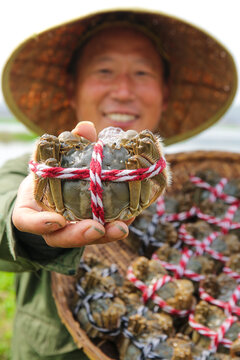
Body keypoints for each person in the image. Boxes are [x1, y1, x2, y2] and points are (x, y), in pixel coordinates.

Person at [0, 8, 237, 360]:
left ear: (165, 92)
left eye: (141, 72)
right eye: (105, 70)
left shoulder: (168, 179)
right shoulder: (36, 170)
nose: (123, 90)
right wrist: (29, 224)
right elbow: (5, 204)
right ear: (71, 86)